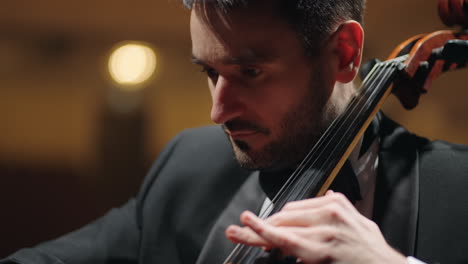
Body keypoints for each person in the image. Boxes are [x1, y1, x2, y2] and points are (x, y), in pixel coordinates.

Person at [2, 0, 468, 263]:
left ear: (344, 54)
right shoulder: (190, 169)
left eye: (249, 72)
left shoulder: (459, 190)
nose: (218, 110)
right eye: (209, 72)